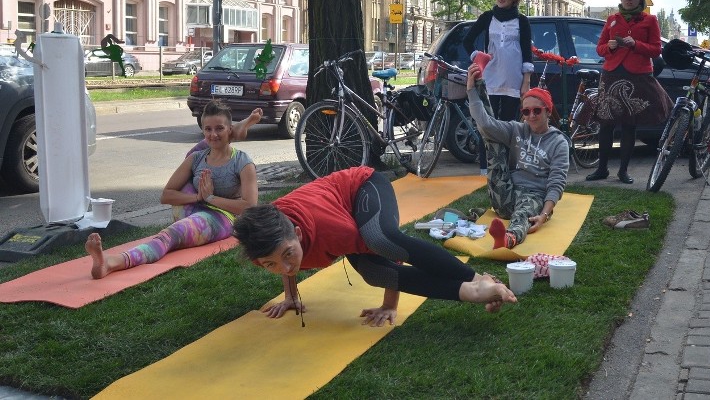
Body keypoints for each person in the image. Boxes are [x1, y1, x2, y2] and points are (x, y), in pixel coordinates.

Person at [232, 167, 517, 327]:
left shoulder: (333, 231)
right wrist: (290, 295)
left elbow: (390, 256)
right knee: (372, 273)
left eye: (288, 256)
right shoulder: (262, 248)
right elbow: (279, 252)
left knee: (380, 239)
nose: (286, 267)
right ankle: (473, 292)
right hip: (334, 214)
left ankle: (478, 280)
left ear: (298, 233)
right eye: (272, 265)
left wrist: (389, 305)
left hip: (364, 187)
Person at [85, 100, 258, 278]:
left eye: (219, 128)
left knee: (170, 236)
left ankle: (112, 262)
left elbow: (250, 206)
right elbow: (166, 196)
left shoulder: (242, 162)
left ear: (228, 129)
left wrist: (211, 198)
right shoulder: (197, 158)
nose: (213, 134)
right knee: (192, 156)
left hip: (223, 217)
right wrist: (199, 197)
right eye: (208, 129)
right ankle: (240, 129)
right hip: (194, 206)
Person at [465, 62, 569, 249]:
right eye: (526, 111)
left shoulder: (558, 142)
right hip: (506, 194)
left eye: (537, 110)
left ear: (548, 110)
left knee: (523, 213)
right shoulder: (517, 130)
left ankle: (508, 238)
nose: (531, 116)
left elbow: (556, 183)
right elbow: (486, 124)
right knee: (491, 137)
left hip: (534, 197)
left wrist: (544, 215)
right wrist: (472, 89)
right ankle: (480, 80)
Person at [585, 0, 672, 185]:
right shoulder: (612, 20)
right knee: (606, 124)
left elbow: (656, 50)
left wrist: (636, 45)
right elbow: (599, 49)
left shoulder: (649, 20)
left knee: (628, 126)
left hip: (636, 76)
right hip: (611, 73)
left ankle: (623, 171)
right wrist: (610, 46)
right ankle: (602, 168)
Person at [463, 0, 534, 173]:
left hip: (513, 78)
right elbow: (468, 41)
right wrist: (477, 57)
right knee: (486, 123)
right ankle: (486, 167)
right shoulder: (487, 17)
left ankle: (506, 166)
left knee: (508, 123)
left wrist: (526, 80)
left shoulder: (522, 21)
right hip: (491, 77)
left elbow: (527, 52)